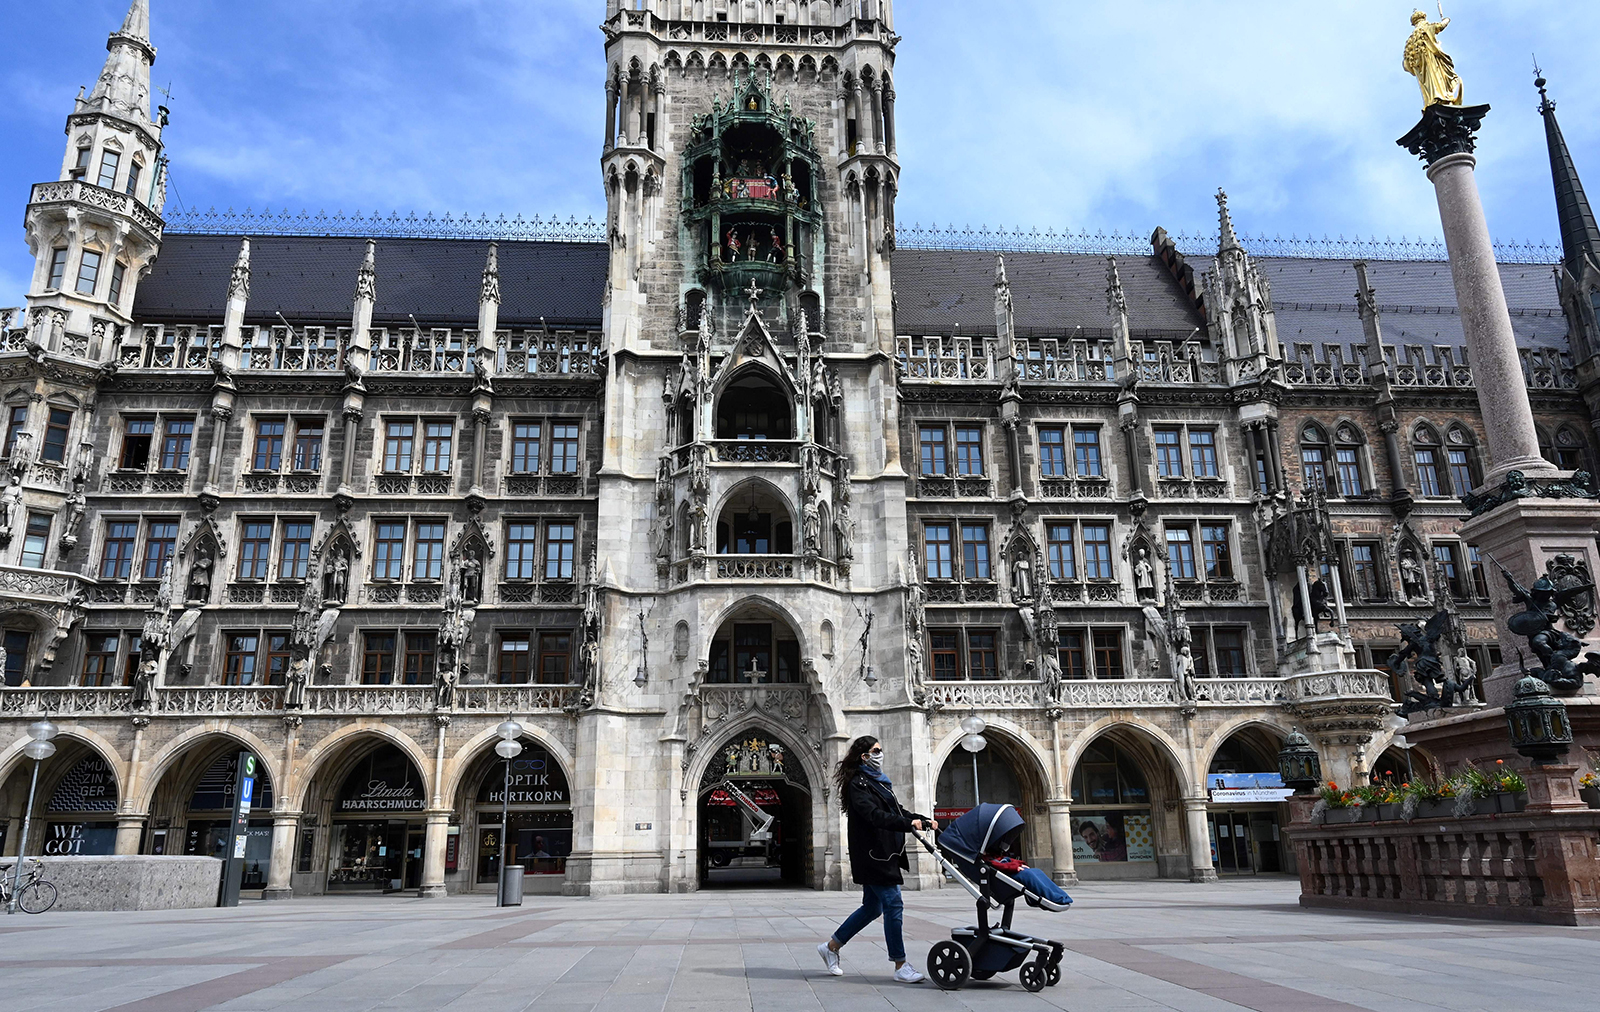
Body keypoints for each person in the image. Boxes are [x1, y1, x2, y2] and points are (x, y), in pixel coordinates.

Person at [817, 735, 935, 983]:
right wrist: (907, 824)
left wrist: (920, 820)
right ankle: (900, 964)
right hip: (873, 855)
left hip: (884, 852)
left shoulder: (879, 782)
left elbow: (896, 810)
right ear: (864, 756)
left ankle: (831, 947)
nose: (881, 754)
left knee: (873, 907)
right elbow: (873, 815)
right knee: (893, 903)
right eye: (876, 750)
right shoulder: (858, 784)